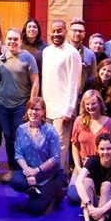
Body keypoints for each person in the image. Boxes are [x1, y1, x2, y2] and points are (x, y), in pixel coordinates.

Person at [0, 29, 41, 181]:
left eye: (15, 39)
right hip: (2, 105)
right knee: (8, 137)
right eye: (9, 39)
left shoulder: (28, 57)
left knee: (21, 137)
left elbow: (35, 81)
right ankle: (12, 169)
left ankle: (26, 169)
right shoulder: (1, 59)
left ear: (21, 41)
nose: (12, 42)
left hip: (21, 105)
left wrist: (32, 104)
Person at [69, 90, 111, 205]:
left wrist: (102, 157)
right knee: (73, 197)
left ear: (100, 103)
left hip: (103, 167)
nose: (90, 107)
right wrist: (78, 167)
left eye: (93, 103)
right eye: (87, 104)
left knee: (104, 190)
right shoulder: (78, 121)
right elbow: (74, 144)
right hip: (83, 166)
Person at [42, 19, 82, 175]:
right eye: (53, 31)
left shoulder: (72, 53)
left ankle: (57, 178)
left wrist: (69, 109)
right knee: (48, 145)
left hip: (63, 109)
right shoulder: (46, 51)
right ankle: (55, 176)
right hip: (47, 107)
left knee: (60, 146)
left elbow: (74, 83)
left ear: (66, 31)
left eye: (59, 30)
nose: (56, 34)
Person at [9, 97, 61, 215]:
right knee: (15, 181)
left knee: (35, 209)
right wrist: (28, 171)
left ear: (43, 111)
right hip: (30, 171)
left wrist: (36, 171)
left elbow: (56, 158)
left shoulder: (50, 130)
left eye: (37, 109)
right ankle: (35, 190)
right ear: (27, 110)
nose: (33, 112)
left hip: (50, 174)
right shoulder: (21, 129)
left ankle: (55, 192)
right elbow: (18, 154)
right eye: (31, 109)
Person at [85, 58, 111, 127]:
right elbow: (85, 103)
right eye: (103, 69)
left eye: (109, 71)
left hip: (109, 119)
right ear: (99, 69)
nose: (105, 73)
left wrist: (107, 124)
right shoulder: (90, 82)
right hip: (91, 118)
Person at [68, 18, 97, 84]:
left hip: (82, 90)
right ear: (68, 32)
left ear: (84, 34)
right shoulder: (61, 51)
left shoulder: (90, 54)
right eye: (74, 30)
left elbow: (93, 77)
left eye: (80, 31)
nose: (77, 33)